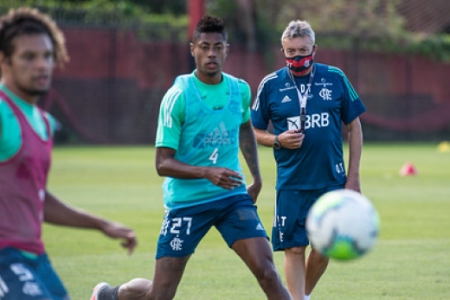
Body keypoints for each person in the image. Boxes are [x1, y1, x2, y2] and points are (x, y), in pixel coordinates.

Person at [91, 15, 291, 300]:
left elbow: (245, 126)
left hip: (231, 197)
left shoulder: (240, 90)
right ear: (192, 49)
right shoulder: (178, 96)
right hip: (186, 203)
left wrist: (256, 178)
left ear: (227, 50)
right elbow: (162, 164)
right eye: (205, 46)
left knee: (268, 273)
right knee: (160, 295)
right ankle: (110, 295)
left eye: (218, 47)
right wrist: (207, 172)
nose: (211, 53)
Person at [0, 7, 137, 300]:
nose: (42, 65)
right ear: (4, 60)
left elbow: (37, 198)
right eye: (29, 56)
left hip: (34, 256)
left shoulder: (44, 123)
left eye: (47, 56)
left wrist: (102, 225)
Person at [251, 20, 366, 300]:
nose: (297, 57)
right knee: (293, 248)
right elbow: (253, 130)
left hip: (331, 180)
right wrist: (278, 140)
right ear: (283, 51)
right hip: (291, 183)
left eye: (303, 50)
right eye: (291, 52)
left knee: (325, 245)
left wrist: (353, 177)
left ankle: (301, 296)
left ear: (314, 49)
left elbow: (355, 127)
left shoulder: (335, 77)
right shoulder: (271, 84)